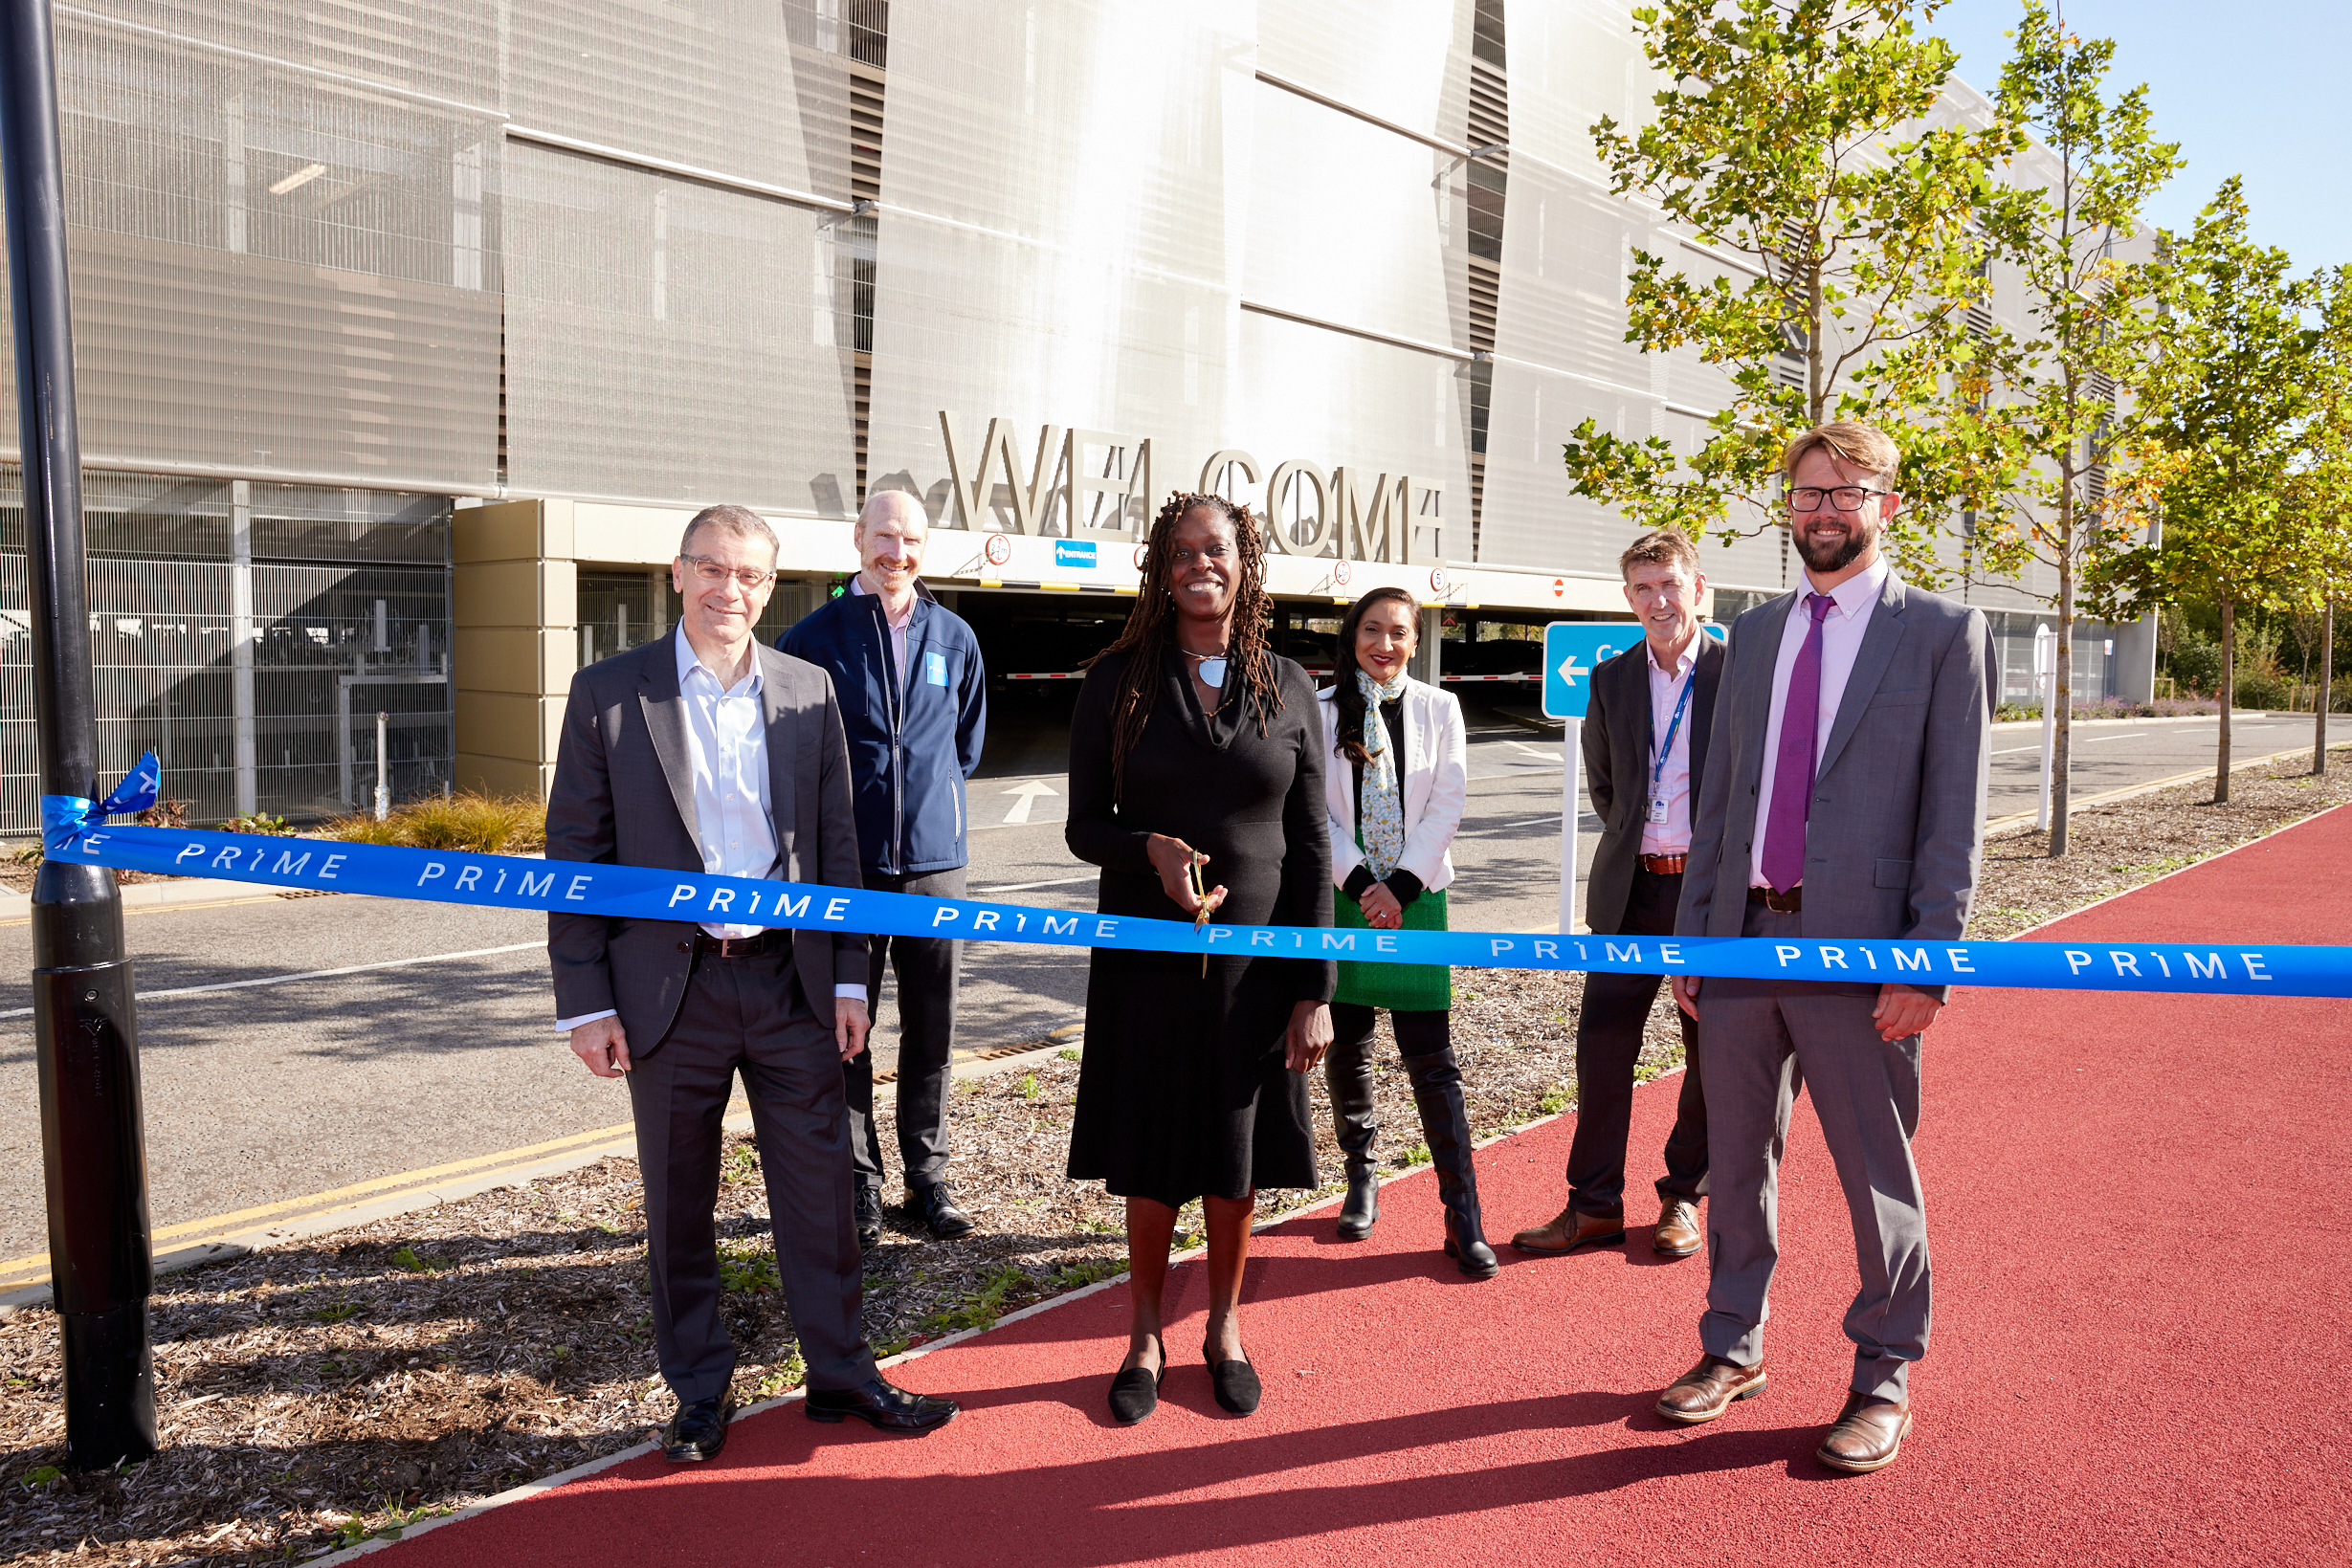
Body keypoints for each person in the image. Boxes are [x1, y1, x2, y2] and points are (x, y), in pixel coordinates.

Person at [547, 504, 958, 1461]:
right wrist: (586, 1001)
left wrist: (851, 981)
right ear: (678, 574)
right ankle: (698, 1391)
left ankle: (842, 1373)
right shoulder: (609, 693)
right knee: (678, 1204)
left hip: (792, 985)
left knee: (820, 1196)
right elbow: (575, 852)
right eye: (712, 569)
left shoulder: (807, 690)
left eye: (750, 575)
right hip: (668, 994)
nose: (729, 589)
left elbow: (840, 851)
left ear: (771, 587)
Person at [1659, 421, 1989, 1475]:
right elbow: (1721, 802)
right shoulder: (1752, 636)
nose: (1822, 509)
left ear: (1886, 504)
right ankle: (1731, 1346)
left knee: (1873, 1169)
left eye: (1845, 491)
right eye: (1806, 493)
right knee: (1736, 1160)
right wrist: (1691, 945)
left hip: (1863, 955)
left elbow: (1953, 815)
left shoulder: (1942, 632)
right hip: (1745, 940)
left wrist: (1924, 962)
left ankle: (1884, 1371)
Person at [1064, 492, 1334, 1426]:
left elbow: (1311, 848)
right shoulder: (1118, 678)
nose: (1197, 565)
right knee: (1148, 1154)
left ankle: (1222, 1327)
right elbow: (1081, 825)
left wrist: (1315, 987)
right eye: (1180, 551)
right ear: (1159, 566)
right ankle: (1144, 1332)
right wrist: (1150, 850)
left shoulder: (1290, 683)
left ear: (1242, 559)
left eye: (1213, 549)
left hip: (1257, 974)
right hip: (1144, 956)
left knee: (1233, 1153)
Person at [781, 490, 987, 1247]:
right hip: (850, 869)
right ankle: (857, 1183)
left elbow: (964, 748)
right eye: (883, 536)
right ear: (857, 538)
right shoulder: (812, 638)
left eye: (911, 540)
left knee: (933, 1027)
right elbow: (795, 755)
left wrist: (926, 808)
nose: (895, 553)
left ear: (924, 549)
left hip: (937, 866)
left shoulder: (956, 636)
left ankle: (926, 1179)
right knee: (847, 1030)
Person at [1513, 530, 1719, 1261]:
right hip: (1630, 892)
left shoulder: (1737, 670)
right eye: (1643, 588)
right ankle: (1593, 1204)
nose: (1658, 600)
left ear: (1697, 586)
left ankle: (1683, 1197)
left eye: (1670, 584)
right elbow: (1607, 789)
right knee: (1602, 1048)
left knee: (1707, 1055)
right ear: (1628, 598)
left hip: (1709, 898)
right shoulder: (1613, 678)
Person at [1313, 585, 1494, 1277]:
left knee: (1432, 1056)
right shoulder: (1324, 709)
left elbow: (1449, 797)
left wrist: (1402, 887)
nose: (1384, 644)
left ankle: (1463, 1213)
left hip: (1416, 897)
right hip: (1346, 893)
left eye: (1399, 633)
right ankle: (1361, 1180)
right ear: (1352, 634)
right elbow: (1313, 809)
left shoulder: (1440, 708)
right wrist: (1363, 885)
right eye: (1372, 630)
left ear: (1417, 642)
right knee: (1349, 1043)